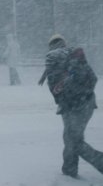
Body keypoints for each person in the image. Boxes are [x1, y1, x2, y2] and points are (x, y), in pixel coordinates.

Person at [39, 34, 103, 178]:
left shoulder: (52, 58)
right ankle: (69, 169)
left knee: (73, 140)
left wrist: (65, 100)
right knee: (71, 137)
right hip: (87, 101)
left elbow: (54, 87)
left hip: (71, 105)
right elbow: (93, 78)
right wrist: (84, 93)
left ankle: (99, 162)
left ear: (51, 46)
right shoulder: (76, 55)